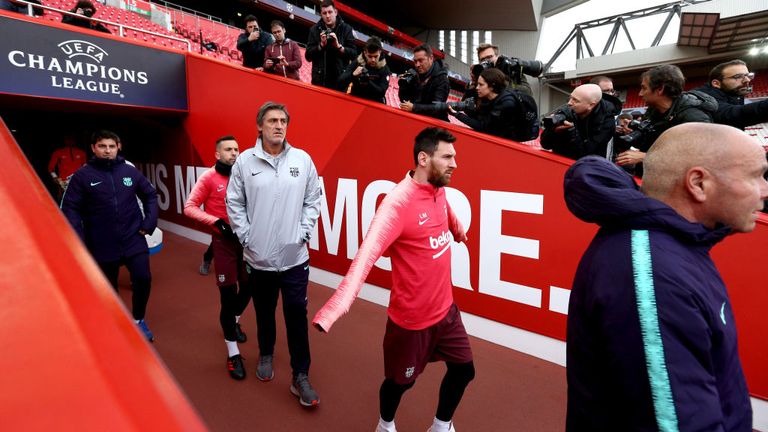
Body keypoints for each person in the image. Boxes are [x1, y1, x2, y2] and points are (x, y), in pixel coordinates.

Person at [563, 123, 767, 431]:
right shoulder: (652, 275)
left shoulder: (677, 245)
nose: (764, 189)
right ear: (698, 183)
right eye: (756, 175)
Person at [313, 127, 474, 432]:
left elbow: (445, 210)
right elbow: (365, 258)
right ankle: (385, 424)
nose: (455, 163)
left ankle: (441, 426)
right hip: (411, 322)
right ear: (423, 158)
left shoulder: (438, 189)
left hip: (446, 313)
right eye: (448, 156)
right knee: (400, 384)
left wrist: (458, 231)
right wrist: (333, 309)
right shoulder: (396, 204)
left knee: (464, 370)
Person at [227, 102, 322, 407]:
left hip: (295, 259)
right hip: (259, 259)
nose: (279, 126)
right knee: (265, 313)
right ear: (260, 126)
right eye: (272, 121)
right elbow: (234, 204)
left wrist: (303, 234)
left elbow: (312, 200)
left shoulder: (303, 160)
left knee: (296, 316)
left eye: (283, 121)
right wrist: (247, 238)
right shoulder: (245, 162)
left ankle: (301, 375)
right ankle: (266, 353)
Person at [61, 130, 158, 342]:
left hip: (133, 238)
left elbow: (149, 195)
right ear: (93, 148)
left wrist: (148, 223)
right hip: (102, 243)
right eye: (102, 146)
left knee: (143, 278)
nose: (107, 151)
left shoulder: (129, 172)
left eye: (111, 146)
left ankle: (139, 320)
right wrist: (79, 239)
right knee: (108, 288)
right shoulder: (82, 176)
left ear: (118, 147)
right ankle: (116, 321)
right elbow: (70, 208)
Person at [184, 135, 251, 380]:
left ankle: (233, 320)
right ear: (217, 154)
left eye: (236, 148)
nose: (234, 153)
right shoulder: (208, 177)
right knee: (228, 294)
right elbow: (189, 206)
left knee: (249, 288)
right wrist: (217, 222)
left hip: (246, 243)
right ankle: (233, 354)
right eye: (228, 150)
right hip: (223, 244)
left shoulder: (245, 175)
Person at [615, 64, 716, 171]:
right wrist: (632, 135)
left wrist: (646, 157)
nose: (640, 94)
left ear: (660, 89)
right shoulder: (653, 112)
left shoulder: (694, 117)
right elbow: (651, 145)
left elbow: (698, 159)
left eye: (644, 88)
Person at [449, 68, 533, 142]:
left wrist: (456, 114)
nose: (477, 87)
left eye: (481, 85)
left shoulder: (506, 104)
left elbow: (484, 127)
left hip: (512, 143)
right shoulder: (490, 98)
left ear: (492, 86)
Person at [541, 83, 618, 159]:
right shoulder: (568, 110)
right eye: (570, 98)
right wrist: (553, 130)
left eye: (575, 100)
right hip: (559, 160)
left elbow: (586, 154)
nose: (569, 103)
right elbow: (545, 144)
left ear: (591, 105)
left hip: (587, 165)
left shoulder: (606, 121)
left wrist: (572, 132)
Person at [694, 59, 768, 130]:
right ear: (716, 83)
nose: (747, 80)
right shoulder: (701, 97)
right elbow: (731, 115)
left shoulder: (734, 92)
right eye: (738, 76)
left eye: (748, 75)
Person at [305, 0, 356, 90]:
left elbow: (354, 54)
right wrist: (320, 45)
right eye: (324, 13)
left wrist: (339, 46)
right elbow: (308, 56)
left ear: (335, 12)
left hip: (340, 82)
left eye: (330, 12)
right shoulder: (314, 30)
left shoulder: (346, 29)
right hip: (319, 82)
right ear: (321, 14)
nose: (327, 16)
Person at [398, 44, 450, 121]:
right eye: (415, 61)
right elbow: (405, 101)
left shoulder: (442, 79)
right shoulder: (415, 73)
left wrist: (414, 107)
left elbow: (436, 107)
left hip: (435, 124)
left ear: (431, 58)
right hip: (416, 119)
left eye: (421, 60)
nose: (417, 65)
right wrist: (404, 86)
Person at [474, 43, 542, 96]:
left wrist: (500, 83)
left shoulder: (510, 69)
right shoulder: (480, 76)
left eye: (489, 57)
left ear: (497, 57)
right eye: (483, 59)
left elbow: (527, 92)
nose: (487, 61)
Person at [337, 36, 390, 103]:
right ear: (365, 53)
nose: (373, 60)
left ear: (380, 52)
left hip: (373, 105)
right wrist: (352, 75)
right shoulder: (357, 62)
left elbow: (381, 93)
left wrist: (367, 82)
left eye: (376, 56)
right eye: (370, 56)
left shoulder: (385, 69)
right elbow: (339, 83)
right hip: (355, 102)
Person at [48, 135, 86, 199]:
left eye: (71, 139)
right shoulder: (58, 153)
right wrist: (55, 177)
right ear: (65, 141)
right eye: (68, 139)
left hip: (78, 182)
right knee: (64, 202)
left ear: (74, 141)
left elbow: (85, 168)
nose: (70, 141)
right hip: (64, 182)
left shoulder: (81, 153)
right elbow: (51, 167)